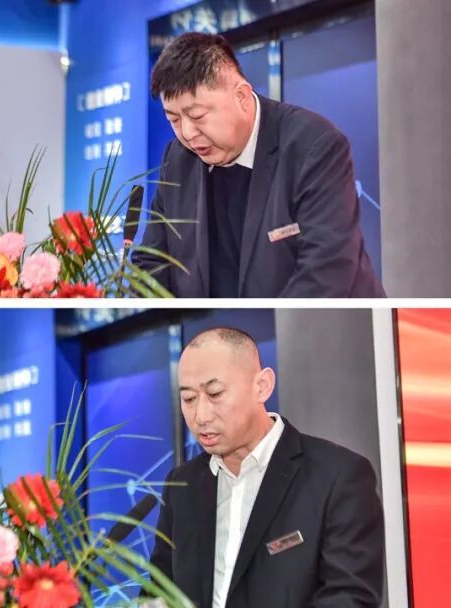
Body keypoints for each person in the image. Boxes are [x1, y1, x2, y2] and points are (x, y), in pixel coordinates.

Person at [132, 32, 384, 298]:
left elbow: (326, 269)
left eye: (197, 116)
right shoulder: (177, 159)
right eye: (173, 119)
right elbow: (153, 263)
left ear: (241, 96)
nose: (187, 133)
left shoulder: (313, 146)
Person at [148, 327, 384, 607]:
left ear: (262, 386)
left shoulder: (338, 477)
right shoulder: (181, 485)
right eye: (189, 399)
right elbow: (159, 591)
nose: (201, 416)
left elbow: (349, 598)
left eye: (215, 393)